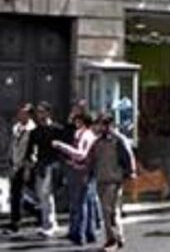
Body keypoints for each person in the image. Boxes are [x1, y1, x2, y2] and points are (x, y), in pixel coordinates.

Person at [86, 114, 135, 251]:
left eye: (103, 124)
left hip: (114, 180)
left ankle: (113, 239)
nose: (100, 127)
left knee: (110, 211)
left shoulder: (118, 141)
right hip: (101, 179)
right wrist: (90, 174)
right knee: (106, 211)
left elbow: (127, 158)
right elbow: (92, 160)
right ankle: (115, 237)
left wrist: (129, 173)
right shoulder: (97, 142)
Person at [53, 111, 99, 246]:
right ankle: (88, 232)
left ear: (82, 122)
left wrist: (61, 146)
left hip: (82, 172)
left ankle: (80, 233)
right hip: (84, 171)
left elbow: (81, 154)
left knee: (80, 203)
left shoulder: (86, 136)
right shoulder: (84, 134)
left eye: (77, 120)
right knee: (87, 202)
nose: (75, 122)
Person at [27, 102, 63, 237]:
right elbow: (30, 149)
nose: (40, 115)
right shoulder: (35, 131)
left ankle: (49, 224)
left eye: (42, 112)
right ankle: (48, 222)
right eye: (38, 112)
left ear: (48, 113)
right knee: (42, 195)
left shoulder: (57, 129)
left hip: (52, 164)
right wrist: (31, 160)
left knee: (46, 194)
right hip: (40, 165)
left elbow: (63, 148)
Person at [5, 103, 36, 234]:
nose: (20, 115)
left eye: (24, 113)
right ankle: (16, 221)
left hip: (25, 165)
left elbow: (33, 150)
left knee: (20, 193)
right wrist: (9, 161)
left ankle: (32, 214)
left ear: (29, 115)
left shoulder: (33, 129)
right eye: (20, 112)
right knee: (15, 193)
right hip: (15, 164)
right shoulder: (16, 127)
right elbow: (12, 146)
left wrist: (28, 167)